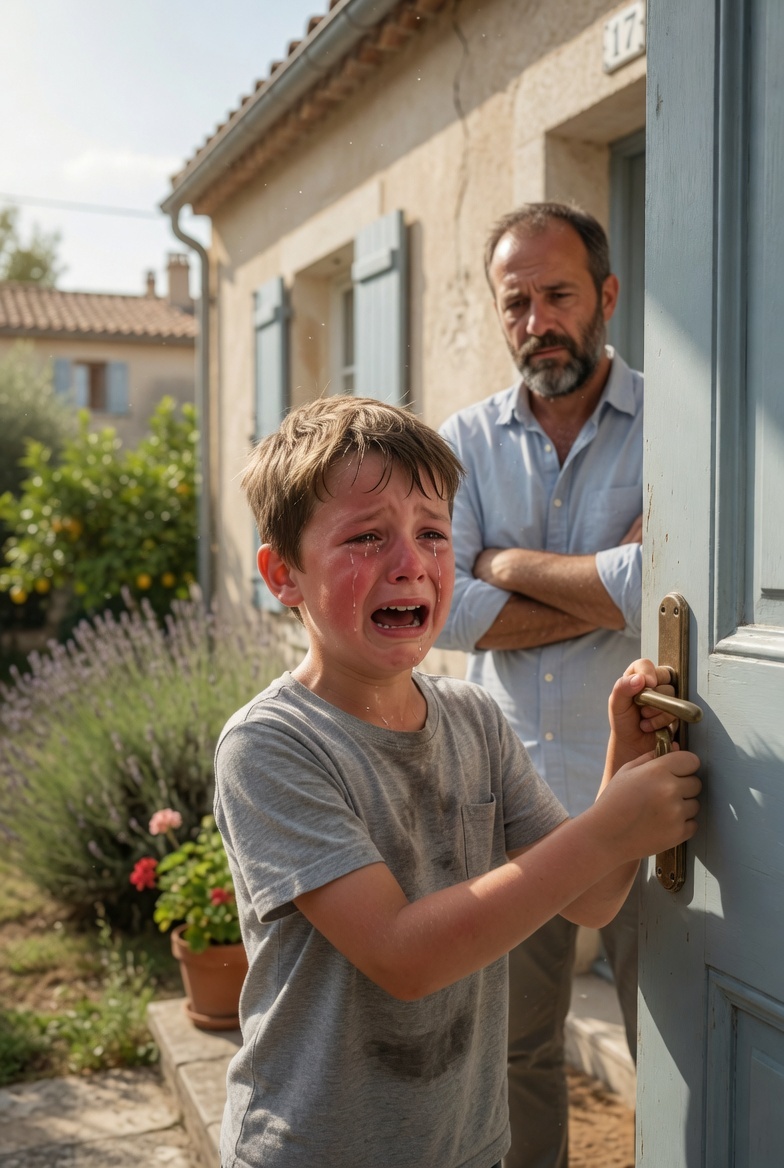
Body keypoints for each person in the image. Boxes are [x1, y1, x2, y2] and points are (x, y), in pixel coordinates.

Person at [213, 395, 698, 1168]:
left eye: (433, 535)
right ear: (283, 574)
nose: (410, 562)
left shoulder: (474, 717)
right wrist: (611, 828)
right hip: (319, 1148)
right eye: (366, 537)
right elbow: (406, 959)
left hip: (467, 1144)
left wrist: (623, 768)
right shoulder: (272, 746)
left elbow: (593, 897)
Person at [437, 201, 644, 1168]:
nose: (535, 321)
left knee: (673, 1046)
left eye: (557, 295)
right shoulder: (460, 444)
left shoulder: (677, 424)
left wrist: (506, 561)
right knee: (517, 1052)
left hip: (647, 787)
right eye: (515, 302)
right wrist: (608, 586)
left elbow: (664, 595)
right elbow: (447, 612)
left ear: (605, 296)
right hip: (505, 791)